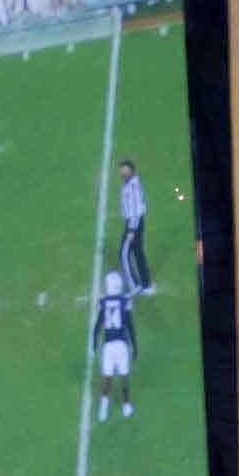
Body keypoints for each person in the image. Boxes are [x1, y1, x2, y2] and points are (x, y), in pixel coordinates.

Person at [92, 269, 138, 421]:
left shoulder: (103, 302)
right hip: (122, 345)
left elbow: (98, 325)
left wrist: (93, 342)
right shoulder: (125, 300)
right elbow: (130, 325)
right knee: (124, 376)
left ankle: (103, 409)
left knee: (107, 378)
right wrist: (135, 345)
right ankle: (125, 405)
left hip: (108, 345)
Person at [115, 156, 155, 295]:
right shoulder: (130, 183)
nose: (122, 174)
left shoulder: (132, 186)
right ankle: (146, 284)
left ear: (131, 171)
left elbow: (136, 209)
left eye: (125, 171)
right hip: (136, 222)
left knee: (124, 254)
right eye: (121, 171)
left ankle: (135, 286)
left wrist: (131, 229)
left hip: (133, 224)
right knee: (138, 252)